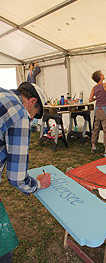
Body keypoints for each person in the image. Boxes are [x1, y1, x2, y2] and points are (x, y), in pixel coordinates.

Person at [0, 82, 51, 262]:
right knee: (3, 250)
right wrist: (38, 184)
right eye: (34, 114)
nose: (32, 119)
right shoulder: (20, 113)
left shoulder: (2, 94)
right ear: (31, 102)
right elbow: (17, 178)